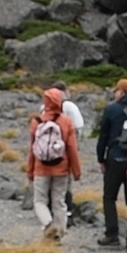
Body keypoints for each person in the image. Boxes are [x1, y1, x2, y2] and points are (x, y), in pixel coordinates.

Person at [27, 87, 82, 241]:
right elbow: (72, 148)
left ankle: (49, 224)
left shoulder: (36, 122)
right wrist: (76, 170)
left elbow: (32, 149)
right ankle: (58, 233)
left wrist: (30, 170)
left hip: (41, 168)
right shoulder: (66, 122)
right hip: (61, 169)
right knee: (59, 202)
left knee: (39, 201)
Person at [95, 78, 127, 251]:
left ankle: (112, 234)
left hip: (115, 159)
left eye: (116, 90)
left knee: (109, 197)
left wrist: (101, 158)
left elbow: (103, 137)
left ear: (122, 92)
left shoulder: (112, 109)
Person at [52, 81, 85, 225]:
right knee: (66, 183)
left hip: (48, 152)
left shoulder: (44, 107)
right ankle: (67, 214)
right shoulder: (70, 107)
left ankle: (51, 212)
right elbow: (79, 126)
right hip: (66, 151)